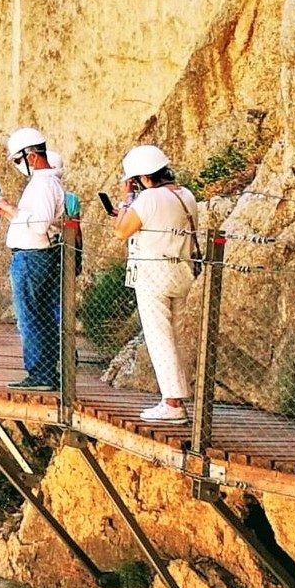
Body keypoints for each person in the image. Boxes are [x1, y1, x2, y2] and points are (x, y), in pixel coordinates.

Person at [113, 144, 199, 423]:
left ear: (142, 178)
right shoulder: (186, 195)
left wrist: (127, 200)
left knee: (159, 337)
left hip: (153, 275)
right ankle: (175, 397)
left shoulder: (147, 200)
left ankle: (172, 403)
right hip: (181, 272)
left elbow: (121, 232)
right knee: (173, 336)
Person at [0, 127, 65, 389]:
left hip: (32, 258)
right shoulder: (46, 183)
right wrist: (10, 212)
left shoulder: (43, 184)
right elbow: (32, 222)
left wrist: (10, 208)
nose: (19, 166)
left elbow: (40, 225)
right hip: (35, 255)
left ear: (31, 155)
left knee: (30, 317)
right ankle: (45, 372)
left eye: (19, 160)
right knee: (40, 315)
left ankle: (40, 374)